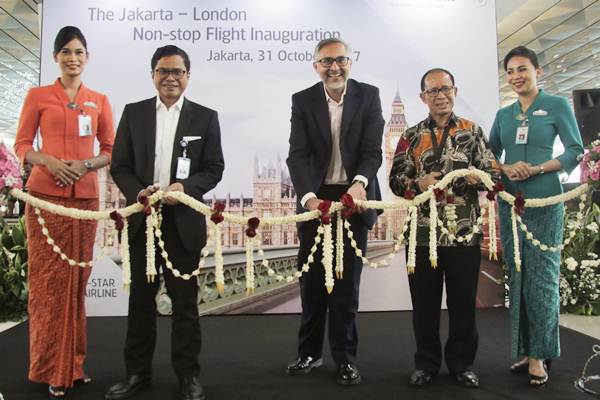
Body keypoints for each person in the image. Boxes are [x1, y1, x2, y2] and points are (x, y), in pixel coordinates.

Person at [106, 45, 224, 400]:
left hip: (183, 223)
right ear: (153, 75)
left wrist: (183, 188)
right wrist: (138, 194)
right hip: (143, 223)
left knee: (185, 306)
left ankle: (188, 376)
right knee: (140, 304)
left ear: (188, 76)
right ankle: (137, 374)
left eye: (178, 71)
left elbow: (214, 168)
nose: (171, 77)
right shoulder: (134, 112)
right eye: (163, 70)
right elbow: (120, 166)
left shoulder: (205, 117)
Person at [13, 26, 115, 397]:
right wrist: (49, 161)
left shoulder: (99, 100)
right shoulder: (38, 96)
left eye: (79, 52)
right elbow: (23, 144)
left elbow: (110, 148)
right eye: (66, 52)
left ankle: (72, 366)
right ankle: (48, 368)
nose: (73, 58)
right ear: (56, 57)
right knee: (48, 285)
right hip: (44, 199)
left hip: (85, 201)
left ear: (87, 58)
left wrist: (86, 165)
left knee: (76, 285)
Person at [389, 68, 499, 388]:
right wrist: (417, 183)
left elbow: (492, 172)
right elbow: (396, 182)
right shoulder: (410, 136)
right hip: (422, 235)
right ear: (423, 97)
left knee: (463, 304)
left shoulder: (472, 131)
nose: (440, 95)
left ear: (455, 91)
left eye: (446, 89)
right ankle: (426, 363)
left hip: (463, 232)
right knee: (424, 306)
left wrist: (481, 177)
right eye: (433, 91)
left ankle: (462, 364)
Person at [285, 38, 384, 385]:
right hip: (317, 200)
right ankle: (308, 354)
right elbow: (297, 155)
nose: (334, 67)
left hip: (354, 198)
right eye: (326, 62)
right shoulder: (303, 100)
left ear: (350, 62)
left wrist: (359, 184)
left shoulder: (369, 95)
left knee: (346, 288)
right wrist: (309, 198)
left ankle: (344, 358)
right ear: (316, 67)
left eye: (340, 60)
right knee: (312, 283)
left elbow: (373, 151)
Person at [489, 46, 584, 387]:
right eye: (510, 71)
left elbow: (576, 150)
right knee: (517, 277)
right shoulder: (504, 114)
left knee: (542, 279)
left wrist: (539, 168)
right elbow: (490, 156)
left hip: (545, 199)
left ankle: (540, 354)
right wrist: (506, 167)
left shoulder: (557, 106)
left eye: (522, 70)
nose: (516, 77)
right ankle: (526, 349)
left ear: (538, 72)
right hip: (511, 201)